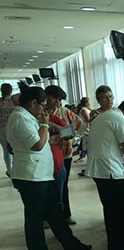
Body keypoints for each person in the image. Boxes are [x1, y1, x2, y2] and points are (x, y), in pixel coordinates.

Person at [7, 86, 92, 250]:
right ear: (33, 103)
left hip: (41, 175)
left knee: (55, 213)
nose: (44, 110)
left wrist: (49, 136)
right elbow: (36, 145)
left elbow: (40, 141)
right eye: (42, 105)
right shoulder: (20, 118)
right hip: (31, 176)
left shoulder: (27, 116)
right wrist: (45, 124)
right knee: (35, 217)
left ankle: (71, 245)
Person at [85, 86, 124, 250]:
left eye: (111, 96)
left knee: (117, 207)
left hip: (102, 168)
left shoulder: (104, 116)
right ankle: (116, 246)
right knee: (115, 209)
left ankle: (122, 239)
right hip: (108, 169)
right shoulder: (118, 118)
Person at [45, 85, 82, 225]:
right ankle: (47, 217)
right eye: (54, 98)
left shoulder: (64, 112)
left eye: (59, 99)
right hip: (45, 156)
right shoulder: (40, 112)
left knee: (63, 185)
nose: (57, 102)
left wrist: (66, 132)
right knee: (47, 186)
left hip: (65, 154)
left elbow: (78, 124)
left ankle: (65, 214)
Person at [0, 83, 15, 176]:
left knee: (6, 151)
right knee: (15, 149)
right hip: (13, 128)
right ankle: (16, 169)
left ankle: (10, 171)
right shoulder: (14, 101)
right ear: (11, 91)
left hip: (2, 129)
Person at [75, 97, 92, 162]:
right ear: (86, 103)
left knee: (86, 145)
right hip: (86, 130)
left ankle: (82, 155)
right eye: (89, 102)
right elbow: (88, 119)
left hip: (88, 129)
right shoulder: (84, 110)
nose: (90, 103)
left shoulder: (86, 109)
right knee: (87, 146)